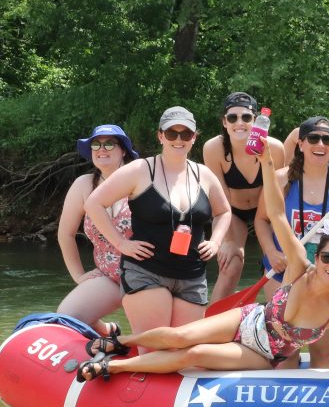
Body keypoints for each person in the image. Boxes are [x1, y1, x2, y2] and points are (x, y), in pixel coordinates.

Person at [75, 140, 329, 380]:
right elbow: (276, 215)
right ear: (319, 255)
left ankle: (111, 366)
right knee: (182, 336)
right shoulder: (301, 266)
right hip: (247, 319)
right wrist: (266, 162)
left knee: (195, 354)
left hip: (263, 355)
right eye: (327, 256)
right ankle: (120, 342)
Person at [84, 107, 231, 341]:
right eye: (172, 133)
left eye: (186, 134)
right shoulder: (141, 169)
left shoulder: (204, 174)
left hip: (192, 276)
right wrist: (121, 243)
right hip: (147, 272)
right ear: (160, 136)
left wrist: (216, 242)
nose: (178, 139)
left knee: (185, 351)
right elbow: (94, 204)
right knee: (154, 348)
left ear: (194, 138)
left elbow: (224, 211)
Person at [257, 115, 329, 368]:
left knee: (321, 352)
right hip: (282, 271)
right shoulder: (280, 179)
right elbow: (263, 221)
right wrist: (271, 252)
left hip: (326, 277)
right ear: (300, 144)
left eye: (327, 139)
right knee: (286, 353)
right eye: (313, 138)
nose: (320, 144)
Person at [202, 92, 286, 305]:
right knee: (232, 263)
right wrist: (228, 241)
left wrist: (272, 244)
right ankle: (209, 325)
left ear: (256, 120)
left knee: (277, 261)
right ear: (224, 122)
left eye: (246, 118)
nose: (239, 123)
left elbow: (277, 195)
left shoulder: (274, 148)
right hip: (233, 212)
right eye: (232, 118)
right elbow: (220, 200)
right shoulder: (214, 148)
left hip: (266, 213)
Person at [56, 124, 139, 336]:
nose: (102, 149)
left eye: (109, 144)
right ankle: (107, 332)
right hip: (108, 276)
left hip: (145, 275)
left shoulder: (141, 180)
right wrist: (78, 276)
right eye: (96, 144)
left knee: (151, 338)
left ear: (123, 151)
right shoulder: (83, 185)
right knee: (66, 318)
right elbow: (65, 234)